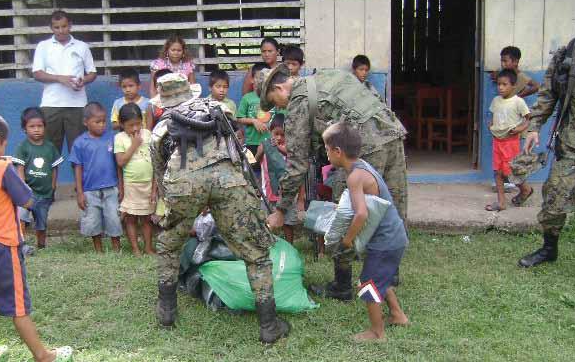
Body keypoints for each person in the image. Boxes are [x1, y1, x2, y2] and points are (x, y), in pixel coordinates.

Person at [150, 73, 289, 344]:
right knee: (256, 254)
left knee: (169, 246)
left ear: (163, 101)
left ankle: (167, 311)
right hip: (229, 181)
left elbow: (159, 170)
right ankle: (269, 325)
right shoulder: (218, 109)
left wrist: (174, 203)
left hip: (183, 183)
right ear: (190, 93)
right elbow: (237, 148)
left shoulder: (161, 128)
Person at [258, 64, 408, 301]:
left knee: (344, 213)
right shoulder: (328, 76)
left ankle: (342, 285)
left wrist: (280, 209)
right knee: (391, 203)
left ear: (279, 88)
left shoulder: (299, 100)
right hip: (391, 133)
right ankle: (390, 272)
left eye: (274, 101)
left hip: (362, 148)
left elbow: (297, 164)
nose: (278, 107)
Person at [517, 1, 575, 290]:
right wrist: (534, 126)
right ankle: (549, 249)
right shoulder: (569, 54)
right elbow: (547, 94)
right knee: (555, 199)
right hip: (571, 143)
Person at [0, 113, 73, 362]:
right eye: (4, 145)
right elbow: (27, 200)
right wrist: (10, 170)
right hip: (2, 245)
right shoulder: (1, 168)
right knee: (18, 305)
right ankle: (43, 355)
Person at [322, 122, 409, 341]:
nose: (326, 154)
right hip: (392, 237)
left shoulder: (354, 177)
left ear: (337, 152)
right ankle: (398, 315)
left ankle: (376, 332)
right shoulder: (361, 166)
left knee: (367, 283)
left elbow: (360, 214)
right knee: (380, 277)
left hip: (386, 240)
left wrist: (347, 240)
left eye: (326, 148)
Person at [32, 10, 97, 153]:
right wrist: (59, 78)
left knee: (78, 151)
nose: (61, 31)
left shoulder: (82, 46)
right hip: (51, 105)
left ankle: (78, 177)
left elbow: (92, 73)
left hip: (78, 105)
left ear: (70, 26)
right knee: (50, 152)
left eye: (64, 26)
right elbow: (37, 73)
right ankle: (51, 177)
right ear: (51, 28)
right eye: (57, 27)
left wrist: (83, 80)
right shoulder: (43, 46)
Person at [68, 102, 123, 253]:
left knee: (113, 218)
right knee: (93, 220)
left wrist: (121, 186)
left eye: (104, 121)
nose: (102, 125)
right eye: (97, 122)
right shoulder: (80, 143)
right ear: (86, 122)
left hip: (111, 187)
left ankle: (116, 248)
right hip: (89, 190)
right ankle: (98, 249)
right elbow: (77, 168)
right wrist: (79, 192)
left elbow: (118, 164)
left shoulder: (112, 138)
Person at [12, 107, 64, 250]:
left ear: (45, 127)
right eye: (32, 126)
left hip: (45, 194)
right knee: (21, 218)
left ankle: (41, 245)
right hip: (28, 193)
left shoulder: (50, 147)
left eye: (39, 126)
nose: (36, 129)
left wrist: (53, 186)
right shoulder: (23, 147)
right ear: (24, 129)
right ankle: (20, 244)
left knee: (41, 223)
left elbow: (54, 168)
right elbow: (20, 168)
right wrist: (23, 187)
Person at [485, 69, 533, 212]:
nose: (500, 87)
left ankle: (526, 189)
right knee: (498, 172)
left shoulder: (518, 101)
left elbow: (528, 118)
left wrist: (520, 129)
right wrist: (491, 125)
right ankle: (501, 202)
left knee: (510, 172)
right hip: (497, 142)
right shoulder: (496, 101)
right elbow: (494, 116)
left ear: (513, 86)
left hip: (511, 142)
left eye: (504, 84)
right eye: (499, 84)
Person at [114, 103, 157, 257]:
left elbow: (155, 162)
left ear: (143, 121)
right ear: (121, 124)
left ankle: (148, 247)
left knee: (147, 219)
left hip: (148, 183)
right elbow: (120, 162)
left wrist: (154, 189)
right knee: (131, 219)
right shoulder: (119, 138)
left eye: (138, 123)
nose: (135, 128)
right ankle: (135, 249)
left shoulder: (148, 135)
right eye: (130, 125)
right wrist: (134, 145)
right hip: (131, 185)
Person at [255, 114, 304, 244]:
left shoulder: (289, 151)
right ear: (270, 132)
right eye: (276, 134)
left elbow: (298, 172)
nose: (279, 138)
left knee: (288, 224)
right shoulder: (264, 145)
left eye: (283, 135)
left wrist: (300, 199)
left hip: (286, 195)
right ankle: (268, 246)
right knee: (266, 223)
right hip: (267, 194)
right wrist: (264, 148)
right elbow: (255, 161)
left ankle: (290, 247)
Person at [237, 62, 271, 161]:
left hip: (270, 142)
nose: (260, 81)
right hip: (252, 142)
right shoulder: (247, 98)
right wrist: (253, 121)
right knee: (253, 168)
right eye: (257, 78)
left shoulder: (272, 97)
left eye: (263, 78)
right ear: (252, 79)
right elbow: (239, 118)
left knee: (269, 170)